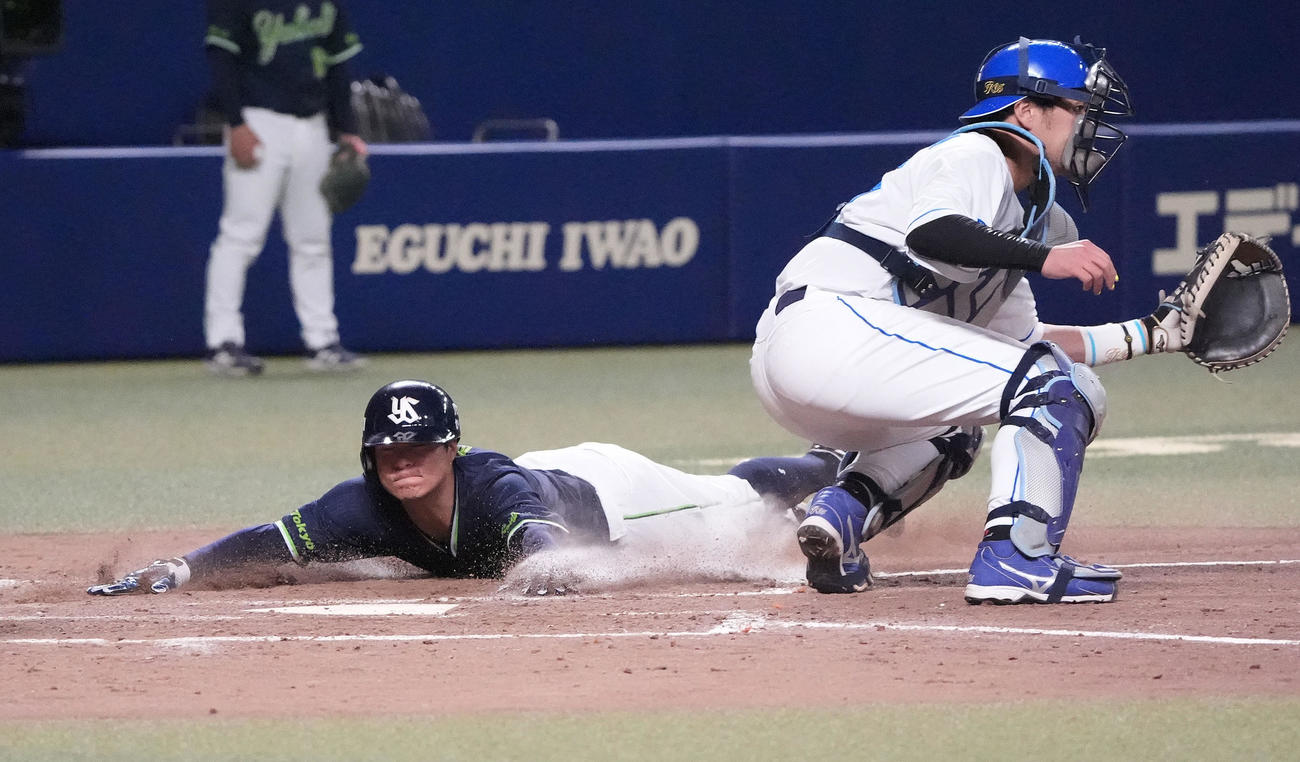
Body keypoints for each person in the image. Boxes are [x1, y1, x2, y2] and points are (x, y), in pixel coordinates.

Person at [749, 37, 1183, 604]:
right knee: (1055, 386)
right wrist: (1046, 259)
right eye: (1078, 107)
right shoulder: (977, 153)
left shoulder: (1022, 216)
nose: (1089, 123)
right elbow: (933, 233)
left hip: (825, 363)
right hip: (830, 331)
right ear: (1026, 111)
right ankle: (1017, 558)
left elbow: (1025, 346)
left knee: (978, 419)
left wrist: (1153, 334)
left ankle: (843, 513)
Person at [88, 380, 841, 596]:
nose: (402, 459)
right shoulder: (359, 505)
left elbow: (537, 536)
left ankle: (837, 463)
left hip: (617, 496)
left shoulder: (494, 488)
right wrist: (181, 568)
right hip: (548, 473)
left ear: (450, 448)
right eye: (388, 448)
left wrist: (548, 567)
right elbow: (272, 541)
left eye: (419, 445)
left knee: (735, 502)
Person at [202, 0, 369, 376]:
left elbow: (338, 64)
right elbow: (222, 60)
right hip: (258, 120)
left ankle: (322, 340)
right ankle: (223, 342)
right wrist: (236, 123)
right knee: (241, 235)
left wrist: (347, 130)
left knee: (313, 238)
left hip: (313, 126)